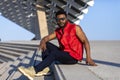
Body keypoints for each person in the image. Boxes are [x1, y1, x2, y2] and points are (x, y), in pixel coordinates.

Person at [18, 10, 97, 80]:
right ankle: (45, 68)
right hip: (63, 53)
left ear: (66, 19)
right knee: (46, 43)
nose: (61, 21)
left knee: (54, 53)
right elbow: (46, 38)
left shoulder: (75, 28)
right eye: (58, 20)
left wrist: (88, 57)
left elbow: (85, 41)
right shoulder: (58, 31)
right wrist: (43, 41)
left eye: (62, 19)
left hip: (73, 57)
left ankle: (34, 70)